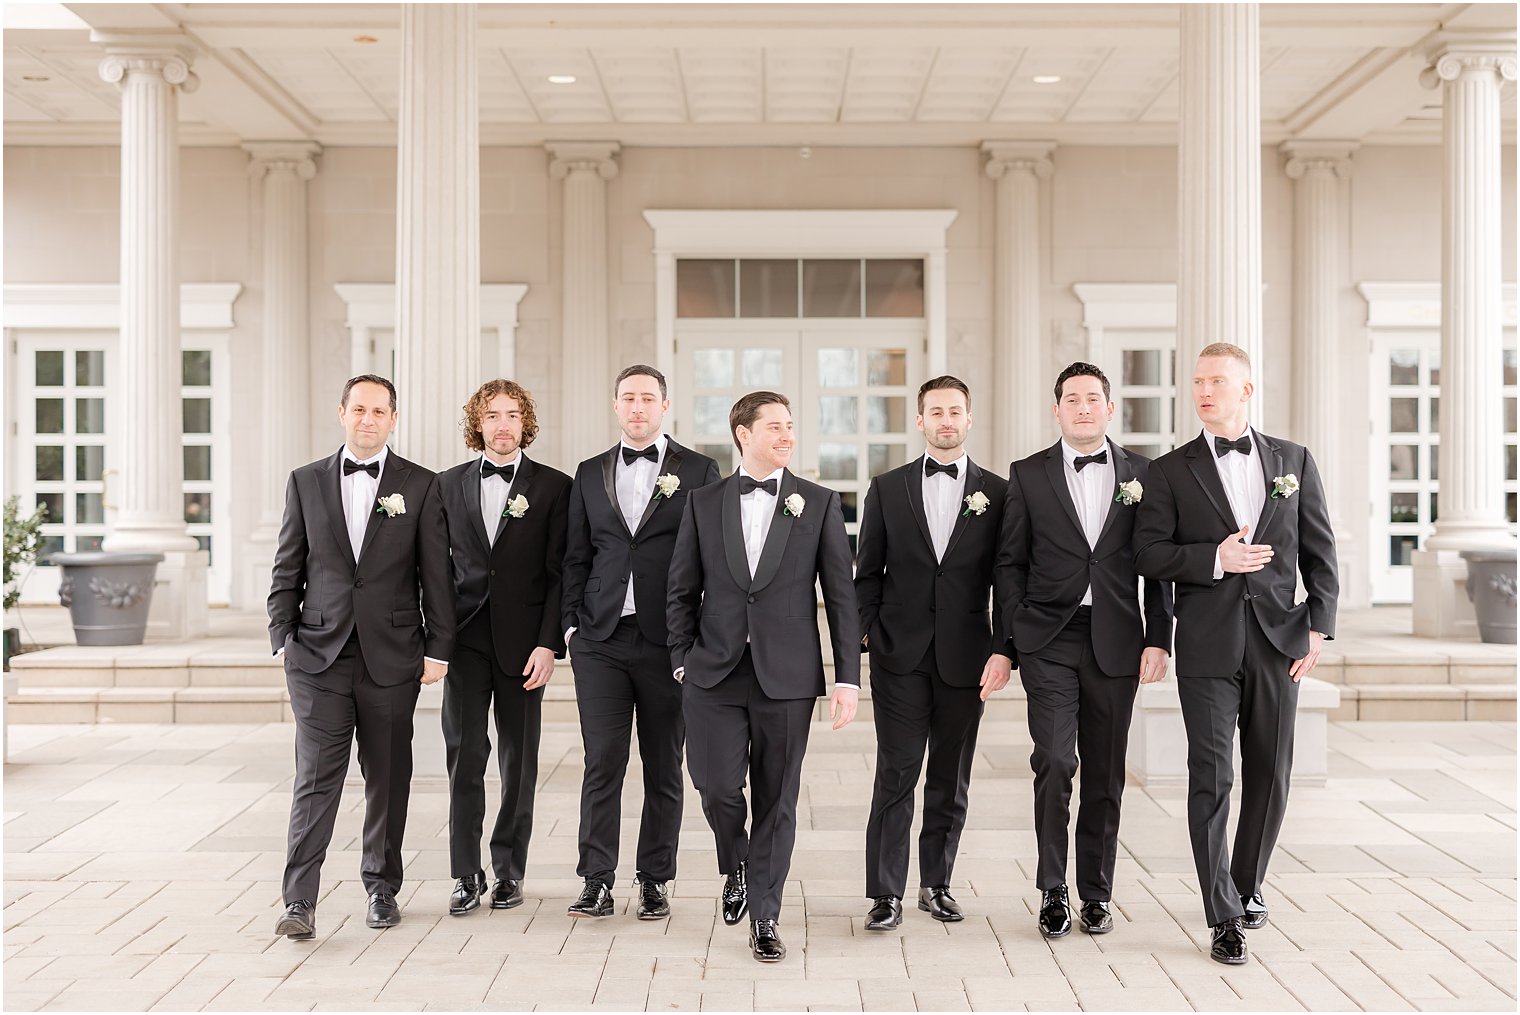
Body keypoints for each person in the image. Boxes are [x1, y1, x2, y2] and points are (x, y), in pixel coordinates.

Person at [1133, 342, 1338, 965]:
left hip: (1280, 642)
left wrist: (1320, 629)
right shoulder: (1169, 471)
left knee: (1272, 778)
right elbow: (1147, 555)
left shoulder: (1292, 459)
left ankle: (1246, 886)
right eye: (1197, 381)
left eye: (1217, 381)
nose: (1204, 391)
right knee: (1212, 777)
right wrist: (1212, 560)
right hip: (1207, 646)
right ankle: (1222, 913)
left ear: (1246, 390)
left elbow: (1320, 550)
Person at [666, 391, 861, 963]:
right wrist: (681, 656)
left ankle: (766, 915)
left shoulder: (819, 503)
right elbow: (680, 588)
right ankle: (737, 865)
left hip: (789, 676)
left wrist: (846, 678)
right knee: (716, 785)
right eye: (774, 427)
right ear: (742, 434)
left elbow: (841, 599)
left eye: (790, 427)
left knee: (778, 798)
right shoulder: (704, 503)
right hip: (712, 672)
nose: (786, 436)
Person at [269, 374, 454, 940]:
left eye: (380, 411)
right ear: (342, 413)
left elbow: (436, 577)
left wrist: (439, 648)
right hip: (318, 657)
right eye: (359, 409)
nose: (368, 419)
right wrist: (281, 635)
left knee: (389, 778)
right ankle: (300, 900)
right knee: (315, 780)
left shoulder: (420, 486)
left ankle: (381, 887)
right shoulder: (306, 481)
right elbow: (288, 563)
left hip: (393, 659)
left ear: (393, 418)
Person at [996, 362, 1172, 939]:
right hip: (1048, 637)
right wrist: (1010, 640)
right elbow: (1010, 563)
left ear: (1110, 407)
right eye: (1072, 398)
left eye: (1093, 398)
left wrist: (1157, 635)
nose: (1083, 407)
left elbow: (1156, 564)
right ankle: (1052, 887)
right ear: (1057, 409)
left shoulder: (1145, 474)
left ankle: (1096, 891)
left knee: (1105, 770)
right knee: (1053, 758)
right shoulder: (1027, 475)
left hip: (1117, 640)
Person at [560, 364, 720, 919]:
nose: (637, 408)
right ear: (615, 405)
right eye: (628, 398)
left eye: (647, 398)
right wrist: (571, 626)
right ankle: (596, 880)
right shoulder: (588, 472)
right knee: (602, 760)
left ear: (664, 405)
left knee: (663, 764)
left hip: (668, 641)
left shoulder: (699, 470)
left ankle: (655, 879)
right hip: (599, 639)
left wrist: (697, 639)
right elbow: (576, 556)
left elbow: (711, 560)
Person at [854, 375, 1012, 931]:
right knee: (896, 772)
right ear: (919, 421)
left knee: (951, 773)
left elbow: (1006, 578)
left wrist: (1003, 650)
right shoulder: (887, 488)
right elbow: (866, 573)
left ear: (970, 419)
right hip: (898, 655)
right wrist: (866, 635)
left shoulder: (998, 492)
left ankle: (936, 884)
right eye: (935, 412)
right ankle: (886, 893)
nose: (946, 421)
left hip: (966, 659)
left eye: (955, 412)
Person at [436, 380, 571, 917]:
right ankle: (466, 872)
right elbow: (436, 572)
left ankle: (509, 870)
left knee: (519, 763)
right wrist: (437, 643)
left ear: (525, 422)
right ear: (478, 424)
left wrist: (548, 644)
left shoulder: (554, 488)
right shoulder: (445, 486)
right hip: (465, 642)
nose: (503, 424)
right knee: (465, 758)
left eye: (512, 415)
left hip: (524, 647)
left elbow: (561, 574)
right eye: (492, 415)